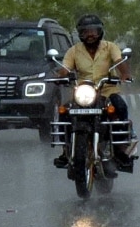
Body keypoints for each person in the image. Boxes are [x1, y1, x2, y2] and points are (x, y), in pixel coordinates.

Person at [53, 14, 135, 175]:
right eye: (85, 32)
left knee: (120, 106)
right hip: (83, 93)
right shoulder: (73, 51)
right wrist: (60, 76)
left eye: (93, 31)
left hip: (106, 90)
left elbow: (120, 62)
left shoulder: (110, 47)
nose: (90, 35)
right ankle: (66, 150)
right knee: (64, 112)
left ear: (100, 32)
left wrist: (125, 74)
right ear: (80, 34)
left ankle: (121, 149)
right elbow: (65, 69)